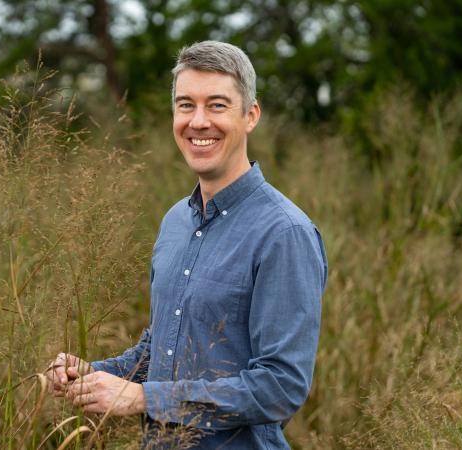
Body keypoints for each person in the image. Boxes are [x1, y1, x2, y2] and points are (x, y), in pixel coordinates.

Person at [46, 40, 328, 449]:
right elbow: (161, 346)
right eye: (185, 105)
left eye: (216, 105)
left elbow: (280, 387)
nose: (198, 122)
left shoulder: (284, 233)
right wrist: (92, 374)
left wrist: (143, 398)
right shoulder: (176, 220)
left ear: (250, 115)